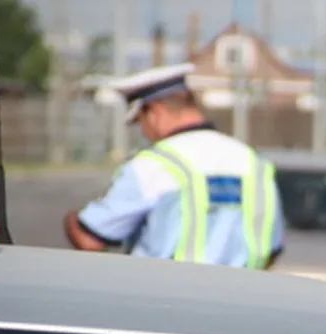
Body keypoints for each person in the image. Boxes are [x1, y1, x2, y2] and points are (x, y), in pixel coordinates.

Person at [64, 63, 285, 269]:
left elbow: (90, 239)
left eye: (141, 121)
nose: (144, 132)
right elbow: (272, 249)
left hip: (164, 295)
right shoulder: (254, 163)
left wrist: (72, 221)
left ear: (155, 113)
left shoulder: (153, 165)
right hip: (243, 295)